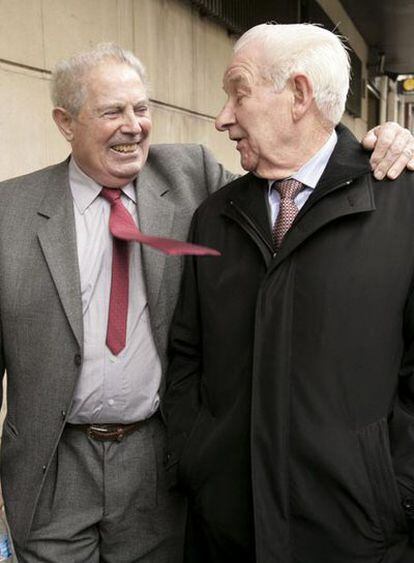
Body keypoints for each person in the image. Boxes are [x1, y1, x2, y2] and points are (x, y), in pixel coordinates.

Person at [0, 42, 410, 563]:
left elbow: (300, 177)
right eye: (112, 112)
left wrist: (387, 142)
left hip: (153, 469)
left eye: (142, 108)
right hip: (53, 466)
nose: (134, 126)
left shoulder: (190, 177)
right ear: (65, 122)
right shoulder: (8, 212)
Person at [163, 23, 414, 563]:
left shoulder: (405, 207)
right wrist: (195, 461)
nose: (222, 117)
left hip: (358, 540)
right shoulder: (214, 217)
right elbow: (188, 357)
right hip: (226, 534)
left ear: (298, 95)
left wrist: (399, 496)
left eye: (239, 91)